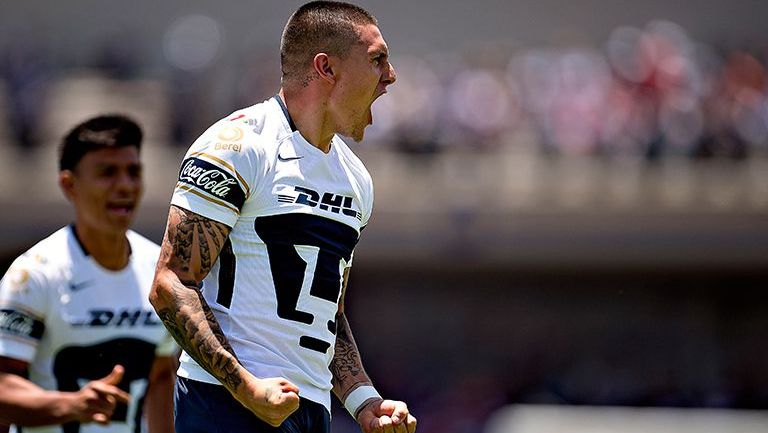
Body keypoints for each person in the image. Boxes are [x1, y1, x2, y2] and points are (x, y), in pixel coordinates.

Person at [149, 1, 417, 432]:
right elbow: (172, 283)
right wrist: (244, 386)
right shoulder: (237, 145)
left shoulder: (356, 179)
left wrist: (365, 400)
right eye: (377, 60)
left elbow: (327, 312)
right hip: (223, 402)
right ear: (326, 68)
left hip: (309, 410)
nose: (391, 76)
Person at [0, 115, 177, 433]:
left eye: (133, 171)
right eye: (107, 172)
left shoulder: (160, 270)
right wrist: (72, 405)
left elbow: (161, 377)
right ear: (69, 185)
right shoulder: (34, 275)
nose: (125, 185)